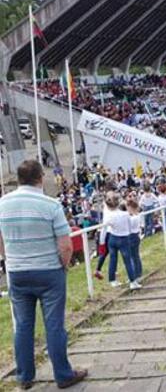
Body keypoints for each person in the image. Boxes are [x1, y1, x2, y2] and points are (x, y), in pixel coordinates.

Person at [0, 160, 88, 390]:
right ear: (40, 178)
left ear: (19, 179)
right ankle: (62, 374)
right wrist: (64, 265)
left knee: (23, 326)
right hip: (49, 271)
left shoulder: (2, 204)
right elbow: (66, 245)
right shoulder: (50, 205)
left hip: (18, 272)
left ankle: (25, 376)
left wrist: (10, 259)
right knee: (54, 325)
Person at [100, 195, 141, 290]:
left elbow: (104, 229)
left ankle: (112, 280)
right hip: (124, 238)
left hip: (112, 238)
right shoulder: (125, 215)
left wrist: (102, 243)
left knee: (113, 259)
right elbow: (130, 226)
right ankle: (132, 281)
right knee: (127, 260)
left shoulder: (109, 216)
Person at [127, 199, 143, 283]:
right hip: (136, 236)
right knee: (136, 256)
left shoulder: (132, 218)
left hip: (131, 236)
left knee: (132, 257)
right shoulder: (138, 216)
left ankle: (134, 275)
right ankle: (139, 272)